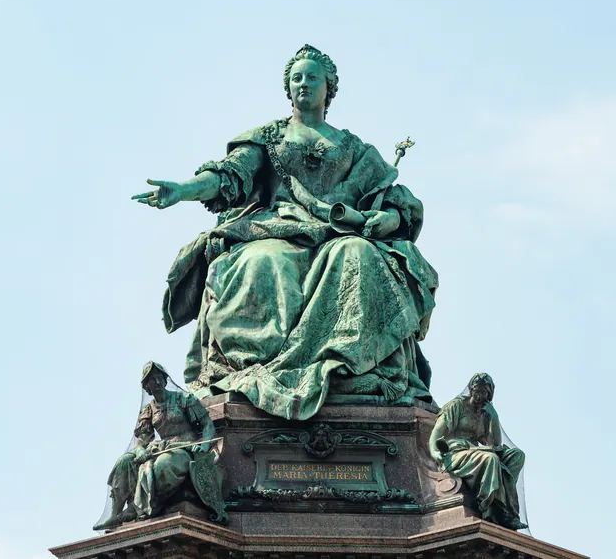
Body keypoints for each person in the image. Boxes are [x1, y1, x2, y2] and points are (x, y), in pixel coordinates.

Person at [133, 45, 438, 421]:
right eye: (297, 78)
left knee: (360, 255)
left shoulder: (355, 149)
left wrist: (389, 220)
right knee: (263, 262)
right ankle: (258, 370)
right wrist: (183, 190)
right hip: (274, 228)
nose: (304, 84)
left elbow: (394, 199)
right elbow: (229, 175)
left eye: (313, 77)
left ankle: (345, 365)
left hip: (336, 235)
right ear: (288, 89)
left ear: (330, 88)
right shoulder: (268, 137)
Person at [94, 362, 216, 530]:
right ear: (147, 387)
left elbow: (207, 425)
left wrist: (204, 445)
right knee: (124, 462)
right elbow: (142, 439)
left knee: (162, 465)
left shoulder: (185, 400)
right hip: (160, 448)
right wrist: (139, 449)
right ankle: (115, 514)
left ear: (165, 381)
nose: (157, 382)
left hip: (184, 449)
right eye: (152, 380)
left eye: (159, 378)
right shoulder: (148, 410)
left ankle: (137, 507)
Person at [428, 373, 527, 530]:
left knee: (517, 456)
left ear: (489, 395)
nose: (479, 396)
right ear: (471, 389)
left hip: (475, 452)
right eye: (477, 391)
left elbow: (495, 444)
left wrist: (494, 418)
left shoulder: (485, 413)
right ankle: (493, 508)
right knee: (490, 459)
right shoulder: (457, 406)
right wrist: (434, 452)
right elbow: (436, 433)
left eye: (484, 393)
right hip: (455, 452)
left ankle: (502, 503)